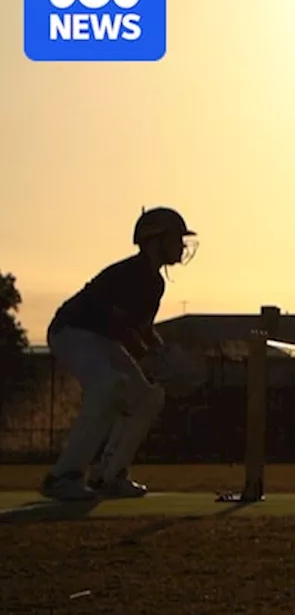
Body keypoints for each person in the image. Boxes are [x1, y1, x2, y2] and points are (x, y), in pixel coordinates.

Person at [39, 207, 197, 501]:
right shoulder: (129, 273)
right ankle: (64, 476)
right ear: (153, 241)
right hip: (72, 332)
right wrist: (151, 358)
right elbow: (122, 327)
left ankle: (109, 475)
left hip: (101, 339)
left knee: (147, 397)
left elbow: (142, 329)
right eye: (176, 238)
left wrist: (161, 354)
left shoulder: (154, 282)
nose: (182, 245)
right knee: (108, 387)